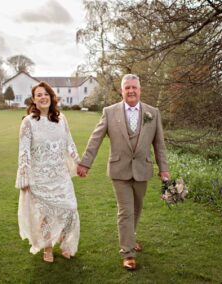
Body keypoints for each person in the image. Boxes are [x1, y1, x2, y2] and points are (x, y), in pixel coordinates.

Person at [77, 74, 170, 270]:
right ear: (122, 91)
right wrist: (85, 163)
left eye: (134, 87)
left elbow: (159, 144)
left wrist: (164, 170)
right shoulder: (110, 113)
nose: (131, 91)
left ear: (140, 90)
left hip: (142, 169)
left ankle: (130, 237)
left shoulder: (153, 113)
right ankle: (128, 252)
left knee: (136, 209)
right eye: (127, 88)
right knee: (125, 210)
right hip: (119, 169)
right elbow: (96, 138)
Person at [15, 81, 80, 263]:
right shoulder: (28, 122)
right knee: (45, 215)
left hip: (61, 175)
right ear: (34, 101)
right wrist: (24, 178)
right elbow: (24, 152)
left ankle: (66, 243)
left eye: (46, 94)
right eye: (39, 95)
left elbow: (70, 143)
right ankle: (48, 248)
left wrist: (78, 163)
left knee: (70, 210)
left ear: (51, 98)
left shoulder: (62, 119)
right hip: (39, 177)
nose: (43, 97)